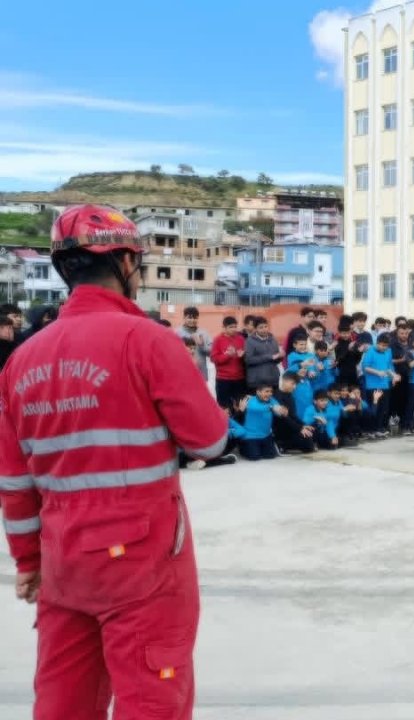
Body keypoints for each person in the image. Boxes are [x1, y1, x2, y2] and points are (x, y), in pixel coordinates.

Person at [0, 204, 228, 719]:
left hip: (63, 562)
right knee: (151, 697)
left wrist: (30, 563)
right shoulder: (147, 340)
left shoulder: (21, 361)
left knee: (64, 698)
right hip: (144, 563)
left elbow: (14, 482)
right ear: (127, 263)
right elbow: (211, 441)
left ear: (65, 269)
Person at [211, 315, 247, 405]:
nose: (234, 329)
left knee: (239, 406)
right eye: (231, 327)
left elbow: (246, 357)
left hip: (239, 378)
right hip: (223, 379)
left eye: (235, 327)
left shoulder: (241, 339)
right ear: (224, 327)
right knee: (224, 406)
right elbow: (214, 358)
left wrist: (242, 356)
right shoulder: (217, 340)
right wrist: (227, 355)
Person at [245, 317, 283, 390]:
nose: (264, 329)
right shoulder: (250, 341)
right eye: (261, 327)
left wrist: (280, 356)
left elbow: (275, 359)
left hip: (273, 380)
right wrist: (269, 357)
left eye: (266, 326)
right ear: (255, 329)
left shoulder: (273, 339)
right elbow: (248, 360)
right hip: (257, 382)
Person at [177, 306, 213, 382]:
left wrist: (202, 345)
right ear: (184, 317)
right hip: (182, 374)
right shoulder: (177, 333)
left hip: (200, 374)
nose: (192, 320)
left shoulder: (203, 333)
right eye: (189, 318)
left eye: (195, 318)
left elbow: (212, 352)